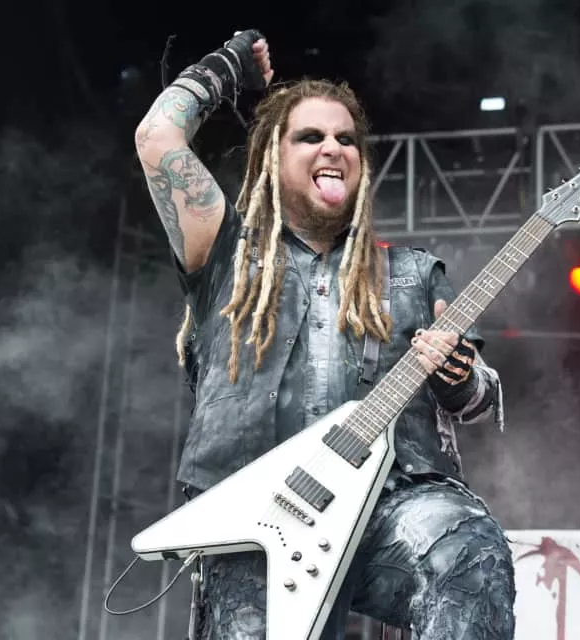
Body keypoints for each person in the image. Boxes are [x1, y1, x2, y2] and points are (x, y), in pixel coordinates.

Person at [134, 28, 516, 640]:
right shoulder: (225, 251)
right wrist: (228, 67)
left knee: (468, 552)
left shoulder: (414, 273)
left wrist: (461, 375)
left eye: (346, 139)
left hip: (394, 502)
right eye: (310, 137)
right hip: (259, 518)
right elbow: (157, 139)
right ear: (272, 157)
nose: (333, 148)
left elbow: (477, 396)